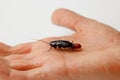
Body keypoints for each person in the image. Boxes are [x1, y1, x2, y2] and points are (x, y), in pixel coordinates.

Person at [0, 8, 120, 80]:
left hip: (68, 45)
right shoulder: (56, 45)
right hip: (68, 45)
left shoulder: (57, 45)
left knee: (69, 46)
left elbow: (61, 45)